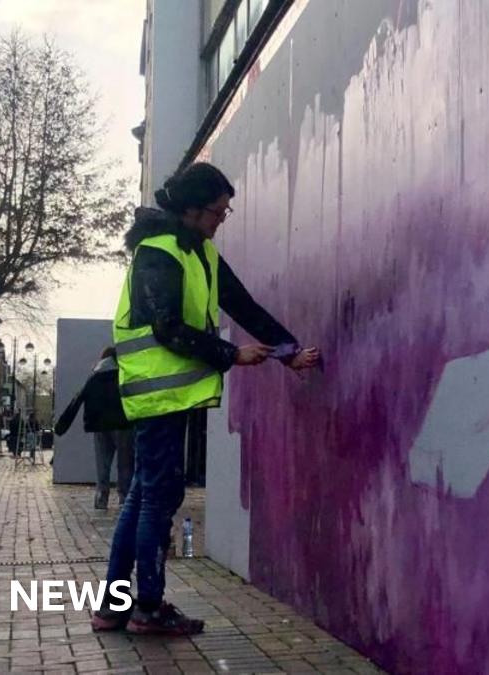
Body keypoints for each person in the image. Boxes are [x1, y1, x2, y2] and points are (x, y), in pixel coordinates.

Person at [92, 162, 320, 636]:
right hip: (158, 396)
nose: (222, 217)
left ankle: (113, 606)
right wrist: (231, 354)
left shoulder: (201, 254)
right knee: (159, 497)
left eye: (225, 210)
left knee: (142, 497)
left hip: (171, 395)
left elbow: (244, 306)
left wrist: (287, 351)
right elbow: (168, 327)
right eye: (218, 210)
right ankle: (147, 608)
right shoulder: (158, 254)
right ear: (192, 209)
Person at [55, 346, 135, 510]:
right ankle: (124, 498)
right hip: (123, 425)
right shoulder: (124, 376)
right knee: (125, 463)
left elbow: (76, 400)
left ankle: (101, 497)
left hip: (99, 426)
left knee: (102, 463)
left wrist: (61, 426)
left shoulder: (93, 378)